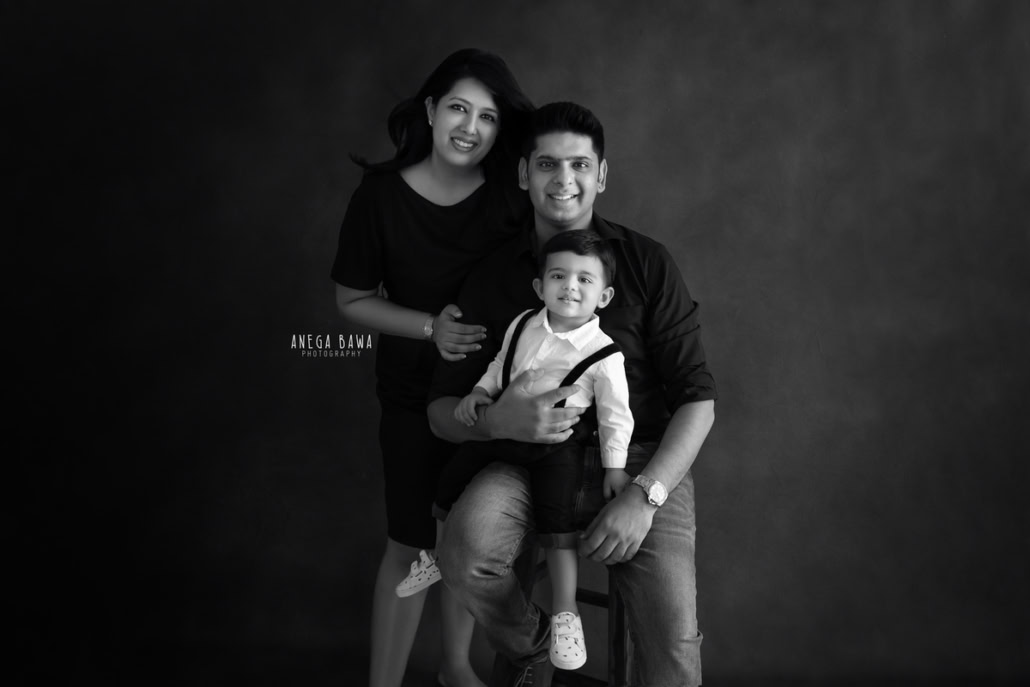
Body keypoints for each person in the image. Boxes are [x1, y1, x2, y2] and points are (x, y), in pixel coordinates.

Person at [425, 102, 717, 686]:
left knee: (672, 645)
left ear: (601, 175)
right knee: (464, 553)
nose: (564, 180)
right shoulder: (494, 276)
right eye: (547, 164)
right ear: (523, 173)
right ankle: (540, 646)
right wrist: (495, 423)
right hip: (522, 462)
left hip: (639, 465)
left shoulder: (646, 263)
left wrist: (646, 497)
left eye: (580, 164)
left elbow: (698, 399)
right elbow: (439, 412)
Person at [331, 48, 534, 687]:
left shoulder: (508, 198)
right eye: (458, 109)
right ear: (430, 110)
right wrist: (429, 327)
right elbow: (351, 300)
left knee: (465, 540)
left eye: (488, 117)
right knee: (412, 543)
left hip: (486, 398)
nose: (470, 128)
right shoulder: (380, 196)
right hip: (411, 394)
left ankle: (455, 668)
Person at [396, 230, 634, 671]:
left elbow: (616, 416)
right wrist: (479, 394)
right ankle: (438, 557)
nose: (570, 287)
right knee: (449, 482)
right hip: (504, 433)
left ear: (604, 297)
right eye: (559, 276)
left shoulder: (604, 355)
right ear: (540, 287)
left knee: (556, 521)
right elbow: (500, 364)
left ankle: (565, 613)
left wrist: (615, 468)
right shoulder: (524, 323)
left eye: (584, 280)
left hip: (557, 448)